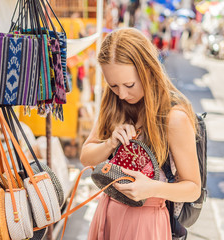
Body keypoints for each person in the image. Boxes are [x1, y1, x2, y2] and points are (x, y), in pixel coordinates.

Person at [80, 28, 201, 240]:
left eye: (129, 85)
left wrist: (152, 188)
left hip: (146, 223)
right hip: (107, 214)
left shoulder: (173, 117)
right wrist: (110, 143)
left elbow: (193, 188)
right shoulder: (113, 103)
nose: (123, 94)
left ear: (148, 70)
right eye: (114, 85)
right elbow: (86, 157)